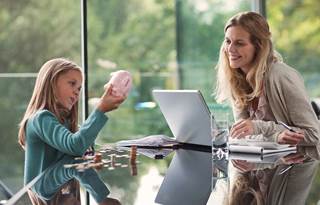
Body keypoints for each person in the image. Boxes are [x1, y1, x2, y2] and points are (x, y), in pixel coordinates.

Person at [215, 11, 320, 204]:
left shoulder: (281, 76)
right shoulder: (237, 80)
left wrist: (263, 129)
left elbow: (315, 135)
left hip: (300, 163)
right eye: (228, 41)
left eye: (239, 42)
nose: (230, 49)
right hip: (263, 167)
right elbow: (245, 135)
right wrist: (274, 135)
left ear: (258, 46)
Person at [18, 58, 124, 205]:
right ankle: (103, 199)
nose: (77, 91)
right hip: (41, 185)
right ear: (52, 83)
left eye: (79, 88)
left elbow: (80, 148)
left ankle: (102, 198)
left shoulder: (63, 121)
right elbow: (75, 146)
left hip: (59, 184)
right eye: (72, 83)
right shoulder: (41, 118)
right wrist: (101, 108)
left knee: (76, 162)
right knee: (75, 163)